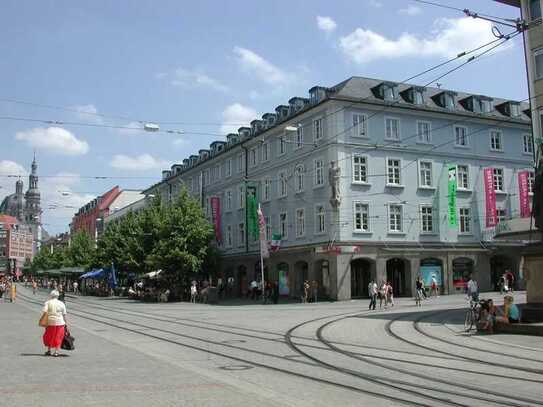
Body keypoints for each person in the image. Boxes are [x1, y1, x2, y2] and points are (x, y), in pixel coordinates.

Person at [41, 290, 67, 357]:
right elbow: (64, 314)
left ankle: (49, 350)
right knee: (58, 336)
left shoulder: (47, 302)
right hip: (60, 322)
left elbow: (45, 311)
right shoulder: (61, 303)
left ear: (51, 295)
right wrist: (66, 323)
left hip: (50, 322)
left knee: (49, 336)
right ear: (58, 296)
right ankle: (56, 352)